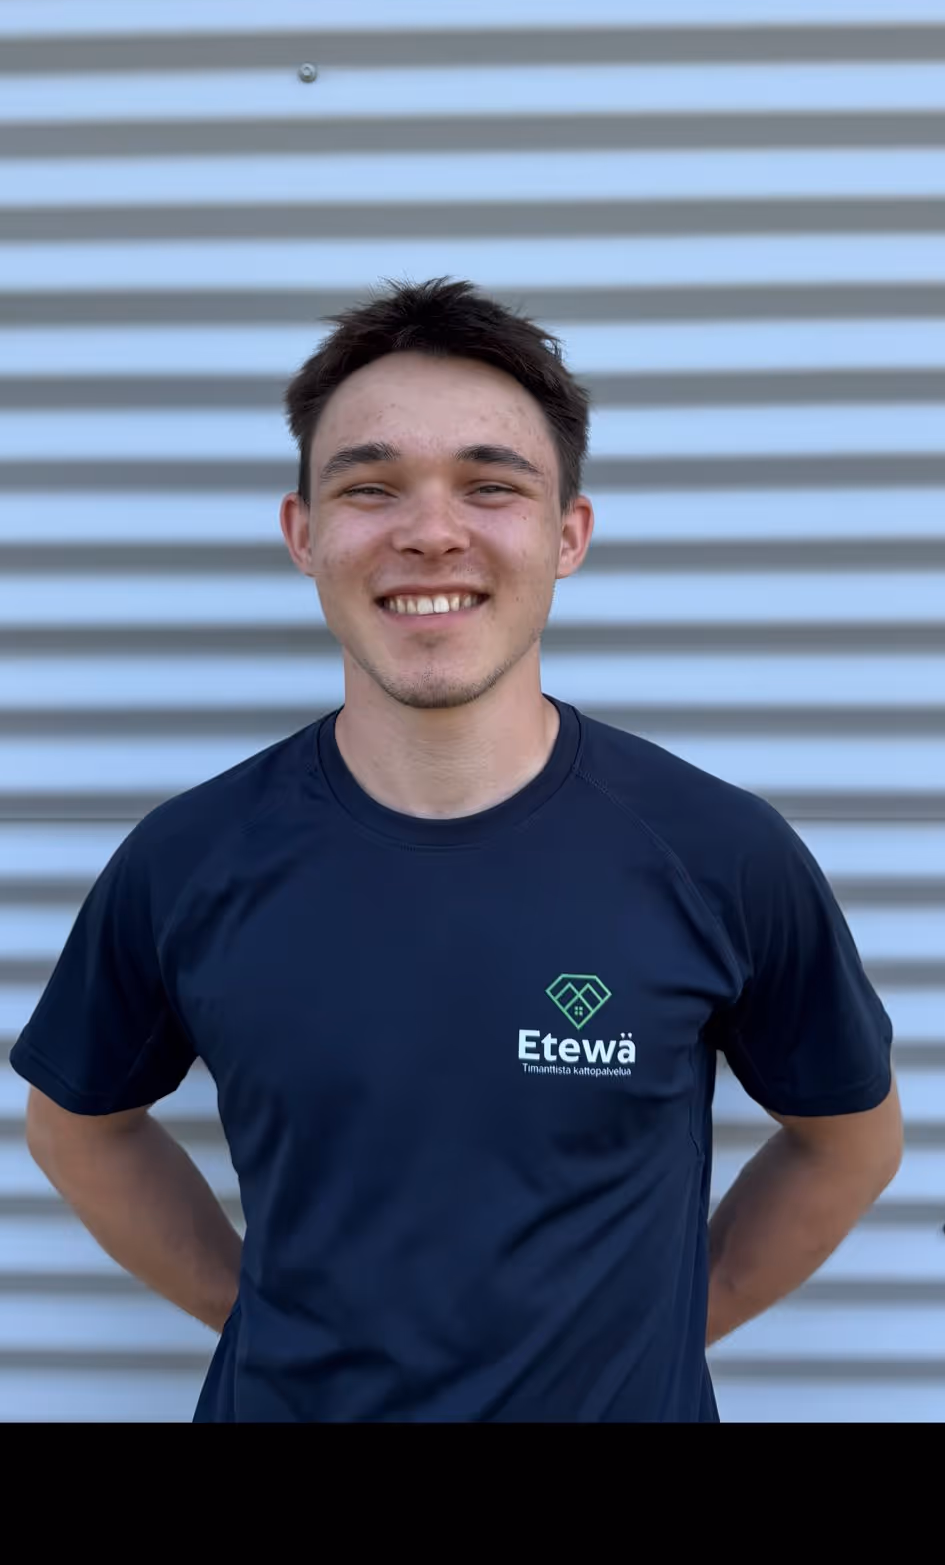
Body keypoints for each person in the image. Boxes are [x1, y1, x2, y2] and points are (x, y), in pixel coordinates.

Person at [11, 276, 902, 1424]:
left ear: (568, 533)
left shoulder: (719, 852)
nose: (431, 532)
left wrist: (662, 1331)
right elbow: (77, 1125)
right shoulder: (188, 860)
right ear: (304, 534)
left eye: (491, 485)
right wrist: (261, 1315)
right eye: (370, 486)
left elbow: (848, 1142)